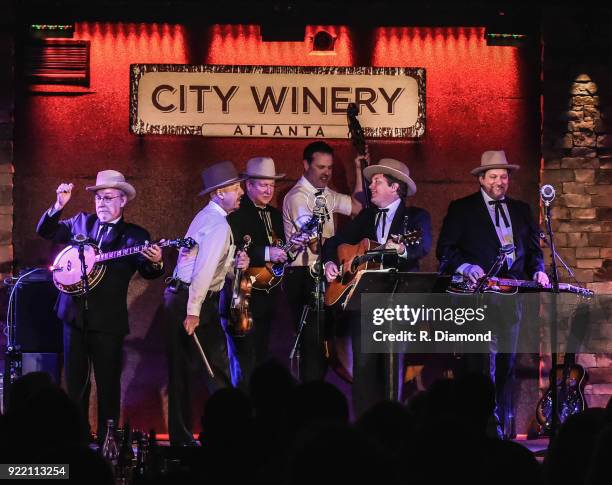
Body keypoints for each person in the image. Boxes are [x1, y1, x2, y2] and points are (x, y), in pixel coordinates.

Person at [36, 170, 164, 440]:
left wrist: (156, 262)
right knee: (74, 384)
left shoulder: (134, 236)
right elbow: (46, 230)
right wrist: (59, 205)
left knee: (107, 385)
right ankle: (77, 438)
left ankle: (110, 441)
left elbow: (148, 270)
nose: (102, 203)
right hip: (73, 317)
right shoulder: (80, 222)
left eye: (108, 198)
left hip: (108, 322)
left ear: (123, 201)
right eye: (98, 198)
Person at [436, 150, 549, 438]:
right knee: (480, 366)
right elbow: (445, 250)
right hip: (478, 297)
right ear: (481, 180)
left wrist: (538, 270)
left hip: (511, 298)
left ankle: (502, 428)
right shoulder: (462, 209)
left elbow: (535, 251)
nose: (500, 181)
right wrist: (466, 266)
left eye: (504, 176)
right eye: (494, 176)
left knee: (506, 364)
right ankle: (482, 428)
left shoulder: (521, 210)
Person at [322, 158, 432, 416]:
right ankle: (363, 426)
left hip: (398, 304)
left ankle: (392, 426)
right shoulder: (367, 216)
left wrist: (403, 248)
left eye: (377, 182)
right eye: (372, 182)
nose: (371, 186)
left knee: (392, 368)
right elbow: (335, 242)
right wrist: (329, 262)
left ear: (395, 187)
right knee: (363, 370)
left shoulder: (416, 216)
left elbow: (422, 245)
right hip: (364, 304)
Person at [163, 161, 249, 446]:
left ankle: (184, 438)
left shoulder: (207, 218)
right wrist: (193, 312)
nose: (241, 192)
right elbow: (202, 270)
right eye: (235, 188)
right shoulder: (218, 224)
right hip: (191, 301)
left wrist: (235, 266)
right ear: (218, 193)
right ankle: (227, 437)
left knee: (186, 372)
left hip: (183, 297)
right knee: (216, 370)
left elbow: (209, 265)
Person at [282, 141, 364, 381]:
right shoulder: (298, 197)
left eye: (329, 167)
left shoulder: (326, 194)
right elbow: (315, 243)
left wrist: (359, 170)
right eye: (320, 167)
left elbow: (357, 207)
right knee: (312, 346)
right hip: (304, 275)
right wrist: (341, 246)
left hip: (324, 273)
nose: (326, 173)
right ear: (306, 165)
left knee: (325, 344)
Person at [227, 157, 290, 388]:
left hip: (268, 298)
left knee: (262, 357)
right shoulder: (235, 212)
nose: (268, 190)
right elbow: (234, 250)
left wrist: (288, 251)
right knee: (244, 362)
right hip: (242, 298)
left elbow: (280, 247)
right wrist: (266, 253)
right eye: (263, 185)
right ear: (248, 185)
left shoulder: (275, 214)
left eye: (272, 185)